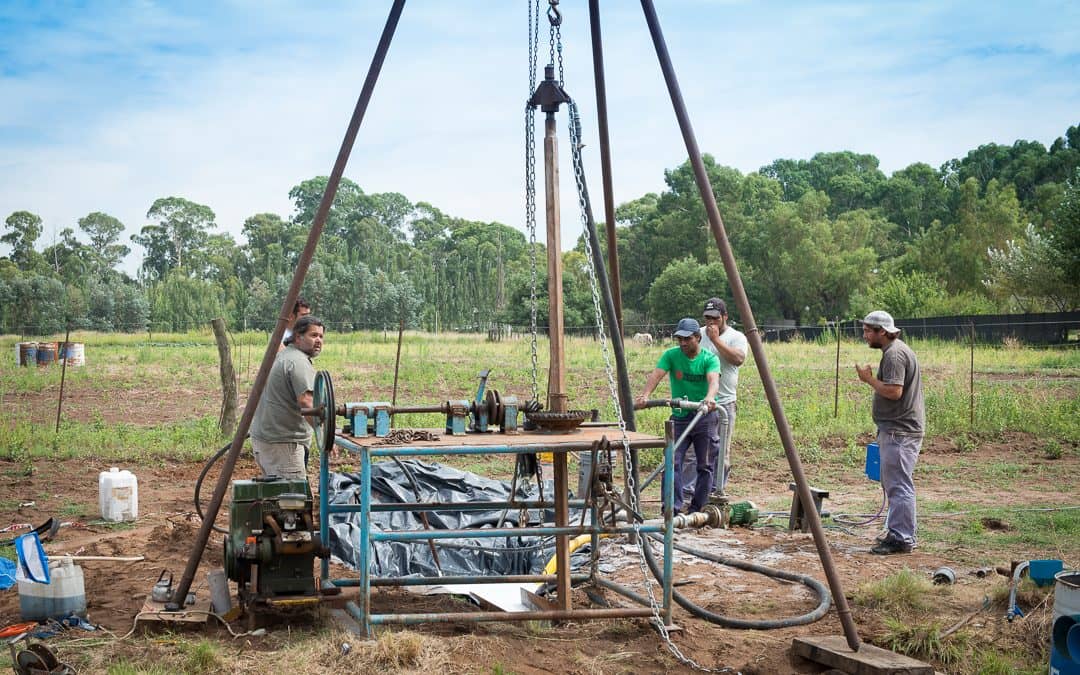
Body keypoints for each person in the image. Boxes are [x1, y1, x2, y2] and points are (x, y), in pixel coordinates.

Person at [856, 310, 925, 555]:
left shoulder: (894, 355)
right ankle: (897, 532)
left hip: (900, 431)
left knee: (899, 485)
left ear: (882, 332)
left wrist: (868, 380)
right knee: (896, 483)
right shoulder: (895, 350)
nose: (864, 335)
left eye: (867, 331)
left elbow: (895, 391)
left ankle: (902, 538)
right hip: (897, 430)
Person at [635, 318, 719, 515]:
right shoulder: (671, 355)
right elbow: (657, 375)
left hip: (703, 417)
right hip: (680, 417)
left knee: (705, 465)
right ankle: (671, 510)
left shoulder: (709, 359)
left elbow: (713, 380)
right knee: (671, 462)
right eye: (679, 339)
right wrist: (645, 395)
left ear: (698, 337)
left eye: (687, 339)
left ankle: (698, 511)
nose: (682, 343)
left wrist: (709, 397)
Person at [685, 297, 747, 495]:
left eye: (715, 318)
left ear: (725, 317)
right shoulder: (698, 335)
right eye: (707, 318)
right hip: (699, 402)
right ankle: (688, 493)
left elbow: (738, 359)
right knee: (692, 452)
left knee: (720, 453)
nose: (711, 323)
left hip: (724, 403)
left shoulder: (736, 337)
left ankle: (715, 492)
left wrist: (716, 340)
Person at [251, 315, 325, 479]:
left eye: (321, 336)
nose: (318, 340)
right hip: (283, 445)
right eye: (313, 335)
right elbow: (307, 403)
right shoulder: (297, 361)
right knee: (293, 499)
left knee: (280, 496)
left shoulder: (286, 355)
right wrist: (326, 435)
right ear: (298, 337)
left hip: (271, 440)